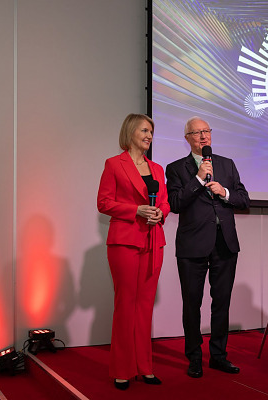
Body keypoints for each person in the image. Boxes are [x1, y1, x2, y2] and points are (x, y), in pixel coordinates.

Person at [166, 116, 250, 379]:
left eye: (206, 131)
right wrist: (198, 180)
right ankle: (194, 357)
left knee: (221, 303)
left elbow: (243, 199)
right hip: (192, 246)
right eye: (196, 132)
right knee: (192, 304)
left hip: (225, 243)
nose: (203, 136)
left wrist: (224, 192)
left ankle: (218, 356)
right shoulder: (176, 168)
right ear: (187, 138)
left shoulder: (227, 164)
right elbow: (175, 203)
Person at [97, 113, 170, 390]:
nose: (149, 135)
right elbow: (103, 202)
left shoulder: (157, 168)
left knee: (144, 306)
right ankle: (122, 370)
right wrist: (136, 210)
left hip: (153, 241)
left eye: (151, 131)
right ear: (130, 132)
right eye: (144, 130)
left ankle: (144, 367)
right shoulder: (114, 164)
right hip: (125, 242)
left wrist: (159, 213)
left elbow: (164, 202)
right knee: (126, 305)